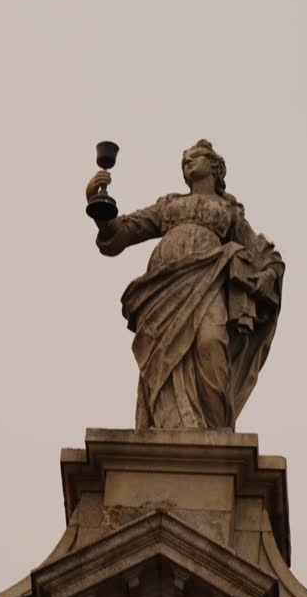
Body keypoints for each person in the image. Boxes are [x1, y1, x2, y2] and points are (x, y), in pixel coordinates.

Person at [86, 140, 284, 430]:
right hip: (164, 285)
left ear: (215, 167)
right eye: (185, 160)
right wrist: (98, 204)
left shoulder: (230, 213)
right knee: (162, 352)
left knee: (211, 342)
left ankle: (216, 432)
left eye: (196, 157)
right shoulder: (169, 205)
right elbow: (123, 231)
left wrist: (267, 274)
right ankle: (166, 421)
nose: (188, 162)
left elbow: (264, 254)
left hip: (209, 279)